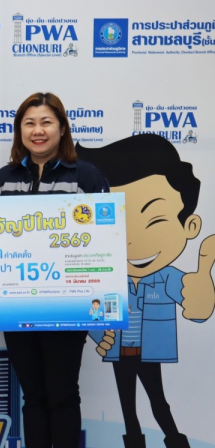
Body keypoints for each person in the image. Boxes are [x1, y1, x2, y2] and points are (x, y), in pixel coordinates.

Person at [0, 92, 109, 448]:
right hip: (15, 306)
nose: (37, 131)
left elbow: (107, 237)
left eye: (46, 122)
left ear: (62, 128)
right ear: (19, 131)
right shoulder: (4, 179)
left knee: (62, 394)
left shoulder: (86, 176)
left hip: (67, 306)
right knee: (33, 396)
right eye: (29, 123)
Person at [78, 134, 215, 448]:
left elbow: (197, 308)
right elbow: (91, 313)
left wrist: (204, 275)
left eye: (154, 220)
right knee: (127, 407)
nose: (131, 239)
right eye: (116, 221)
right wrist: (101, 337)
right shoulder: (103, 276)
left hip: (149, 352)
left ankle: (175, 441)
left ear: (190, 227)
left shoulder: (165, 277)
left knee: (159, 401)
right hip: (121, 352)